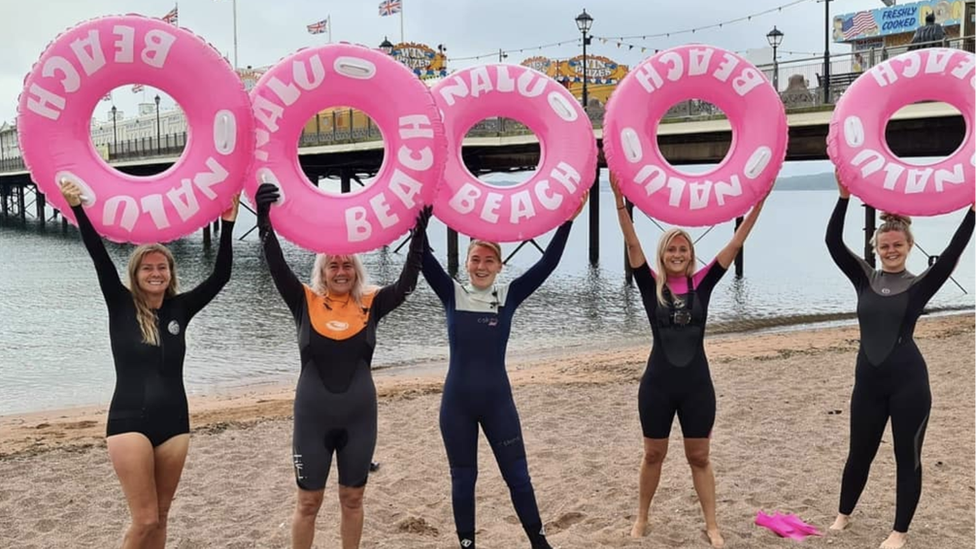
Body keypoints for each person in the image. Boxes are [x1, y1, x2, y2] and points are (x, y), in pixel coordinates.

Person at [59, 180, 238, 549]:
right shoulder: (121, 304)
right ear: (136, 274)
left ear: (171, 273)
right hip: (128, 422)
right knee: (144, 519)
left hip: (175, 422)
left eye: (162, 267)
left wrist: (229, 224)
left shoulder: (180, 310)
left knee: (162, 515)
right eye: (148, 268)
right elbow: (98, 254)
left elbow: (221, 277)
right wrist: (77, 208)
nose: (156, 273)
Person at [253, 183, 428, 549]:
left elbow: (408, 285)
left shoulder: (372, 303)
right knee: (308, 502)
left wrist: (418, 237)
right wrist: (264, 219)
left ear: (356, 269)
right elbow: (276, 265)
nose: (341, 270)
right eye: (333, 264)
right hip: (311, 419)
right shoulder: (304, 300)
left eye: (347, 264)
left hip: (359, 419)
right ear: (323, 271)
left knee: (353, 499)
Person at [422, 193, 588, 549]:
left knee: (518, 477)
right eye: (475, 260)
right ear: (466, 263)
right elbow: (422, 259)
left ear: (499, 265)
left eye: (489, 260)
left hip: (498, 402)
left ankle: (539, 542)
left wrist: (568, 221)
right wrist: (417, 222)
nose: (481, 266)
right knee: (463, 478)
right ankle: (467, 545)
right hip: (457, 406)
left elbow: (548, 264)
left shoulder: (509, 294)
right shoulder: (452, 293)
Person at [610, 173, 766, 549]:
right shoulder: (650, 285)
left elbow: (737, 239)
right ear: (663, 255)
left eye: (683, 251)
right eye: (671, 250)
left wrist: (759, 201)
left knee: (699, 457)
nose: (677, 255)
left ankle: (712, 525)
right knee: (653, 454)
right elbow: (631, 240)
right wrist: (619, 197)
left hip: (697, 385)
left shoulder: (706, 283)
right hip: (657, 386)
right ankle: (642, 517)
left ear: (691, 256)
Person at [826, 174, 976, 549]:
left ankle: (899, 532)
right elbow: (832, 242)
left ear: (909, 246)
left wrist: (973, 212)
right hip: (868, 384)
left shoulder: (920, 284)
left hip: (909, 384)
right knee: (859, 451)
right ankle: (843, 515)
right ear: (875, 248)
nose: (891, 250)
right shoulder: (863, 277)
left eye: (897, 245)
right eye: (885, 246)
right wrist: (843, 198)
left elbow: (956, 249)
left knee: (906, 455)